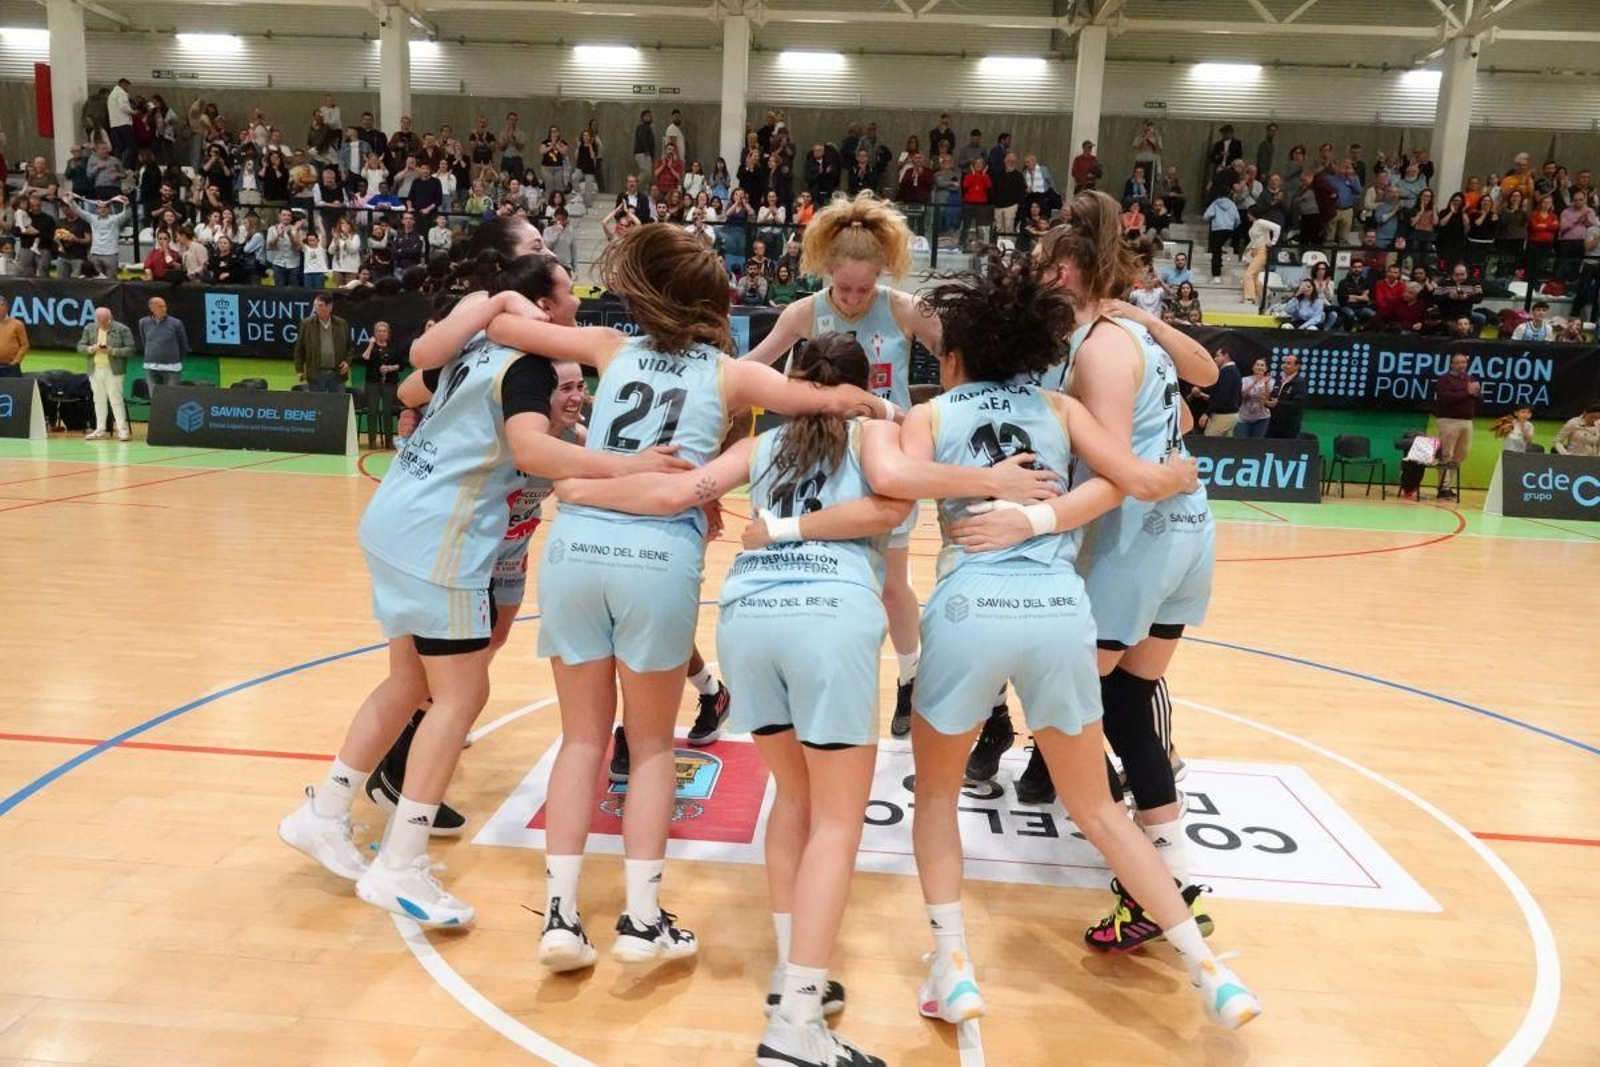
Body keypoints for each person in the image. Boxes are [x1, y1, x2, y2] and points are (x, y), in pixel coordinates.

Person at [409, 225, 887, 969]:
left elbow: (494, 324)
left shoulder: (604, 346)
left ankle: (561, 918)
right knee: (655, 744)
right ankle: (639, 918)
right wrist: (884, 409)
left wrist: (501, 296)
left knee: (579, 740)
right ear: (713, 303)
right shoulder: (731, 374)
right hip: (656, 557)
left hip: (575, 550)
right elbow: (836, 399)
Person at [277, 252, 692, 928]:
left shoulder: (474, 339)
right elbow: (531, 452)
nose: (577, 306)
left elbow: (413, 389)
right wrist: (627, 465)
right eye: (568, 295)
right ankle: (401, 861)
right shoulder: (527, 364)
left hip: (394, 515)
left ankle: (324, 811)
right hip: (440, 535)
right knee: (464, 693)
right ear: (542, 306)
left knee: (410, 682)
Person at [932, 238, 1261, 1030]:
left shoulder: (929, 413)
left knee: (937, 797)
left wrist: (978, 485)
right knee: (1109, 775)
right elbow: (1137, 473)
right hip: (1065, 607)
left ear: (955, 356)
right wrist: (1168, 474)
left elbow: (889, 483)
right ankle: (1208, 969)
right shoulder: (1064, 407)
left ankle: (948, 964)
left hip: (973, 611)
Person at [741, 192, 945, 739]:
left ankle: (910, 677)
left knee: (891, 586)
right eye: (845, 287)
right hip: (825, 462)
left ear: (882, 273)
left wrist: (943, 418)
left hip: (885, 457)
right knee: (824, 578)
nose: (854, 299)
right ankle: (813, 681)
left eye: (864, 287)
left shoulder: (903, 307)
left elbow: (962, 359)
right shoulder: (803, 311)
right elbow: (753, 368)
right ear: (826, 271)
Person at [77, 306, 135, 441]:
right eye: (100, 321)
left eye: (105, 321)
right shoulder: (89, 328)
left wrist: (113, 351)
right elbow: (80, 346)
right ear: (96, 319)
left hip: (114, 370)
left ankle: (122, 430)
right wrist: (91, 348)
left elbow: (131, 349)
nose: (103, 324)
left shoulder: (122, 329)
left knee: (116, 399)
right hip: (95, 369)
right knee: (98, 399)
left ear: (111, 318)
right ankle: (100, 429)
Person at [1435, 351, 1479, 501]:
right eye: (1458, 363)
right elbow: (1446, 399)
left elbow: (1476, 398)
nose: (1461, 365)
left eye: (1463, 362)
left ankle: (1450, 486)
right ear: (1452, 364)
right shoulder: (1444, 380)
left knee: (1461, 454)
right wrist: (1467, 393)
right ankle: (1443, 487)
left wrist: (1477, 394)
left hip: (1467, 421)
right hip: (1448, 421)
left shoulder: (1470, 379)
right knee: (1446, 454)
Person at [357, 321, 402, 450]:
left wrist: (390, 368)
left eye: (384, 331)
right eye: (379, 331)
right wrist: (371, 345)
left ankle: (389, 441)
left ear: (388, 333)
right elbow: (363, 360)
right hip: (373, 383)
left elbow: (401, 364)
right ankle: (372, 441)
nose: (381, 333)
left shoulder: (394, 347)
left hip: (389, 383)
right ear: (374, 333)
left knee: (387, 412)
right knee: (372, 411)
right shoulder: (370, 346)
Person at [292, 294, 351, 393]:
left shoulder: (341, 323)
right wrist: (300, 370)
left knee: (338, 404)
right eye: (315, 305)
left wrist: (348, 362)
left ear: (329, 307)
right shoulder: (306, 323)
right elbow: (299, 348)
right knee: (317, 404)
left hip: (337, 372)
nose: (315, 308)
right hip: (316, 372)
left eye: (319, 305)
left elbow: (350, 347)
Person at [137, 296, 188, 396]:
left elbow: (183, 344)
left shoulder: (176, 323)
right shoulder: (143, 322)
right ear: (152, 308)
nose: (164, 309)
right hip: (151, 366)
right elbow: (145, 340)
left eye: (164, 306)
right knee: (155, 397)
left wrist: (175, 359)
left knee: (171, 397)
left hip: (172, 368)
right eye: (160, 306)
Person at [1203, 347, 1243, 437]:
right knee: (1225, 447)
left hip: (1222, 416)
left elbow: (1222, 397)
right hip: (1232, 415)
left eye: (1217, 355)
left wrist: (1207, 413)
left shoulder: (1226, 371)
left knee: (1209, 444)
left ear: (1226, 356)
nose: (1214, 359)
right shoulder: (1235, 370)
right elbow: (1238, 396)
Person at [1202, 190, 1240, 282]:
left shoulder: (1215, 203)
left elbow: (1206, 216)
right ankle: (1219, 264)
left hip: (1217, 229)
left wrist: (1212, 219)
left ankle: (1216, 274)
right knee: (1218, 248)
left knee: (1216, 251)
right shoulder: (1232, 204)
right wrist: (1232, 226)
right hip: (1228, 230)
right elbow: (1237, 219)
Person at [1266, 353, 1305, 438]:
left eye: (1289, 363)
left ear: (1297, 366)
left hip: (1289, 427)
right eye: (1285, 363)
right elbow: (1273, 397)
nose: (1285, 365)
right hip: (1273, 424)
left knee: (1284, 450)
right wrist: (1267, 402)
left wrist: (1278, 403)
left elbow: (1297, 404)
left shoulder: (1300, 383)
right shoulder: (1279, 380)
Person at [1235, 358, 1273, 438]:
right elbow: (1241, 396)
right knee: (1241, 443)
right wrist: (1254, 382)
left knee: (1256, 444)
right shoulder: (1245, 380)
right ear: (1253, 367)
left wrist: (1266, 384)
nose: (1259, 367)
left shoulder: (1271, 381)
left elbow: (1268, 399)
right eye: (1257, 365)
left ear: (1266, 368)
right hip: (1244, 417)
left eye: (1262, 365)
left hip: (1262, 418)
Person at [0, 300, 28, 378]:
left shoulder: (17, 324)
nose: (0, 307)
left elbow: (25, 345)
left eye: (2, 305)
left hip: (11, 367)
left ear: (6, 308)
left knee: (12, 389)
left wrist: (16, 360)